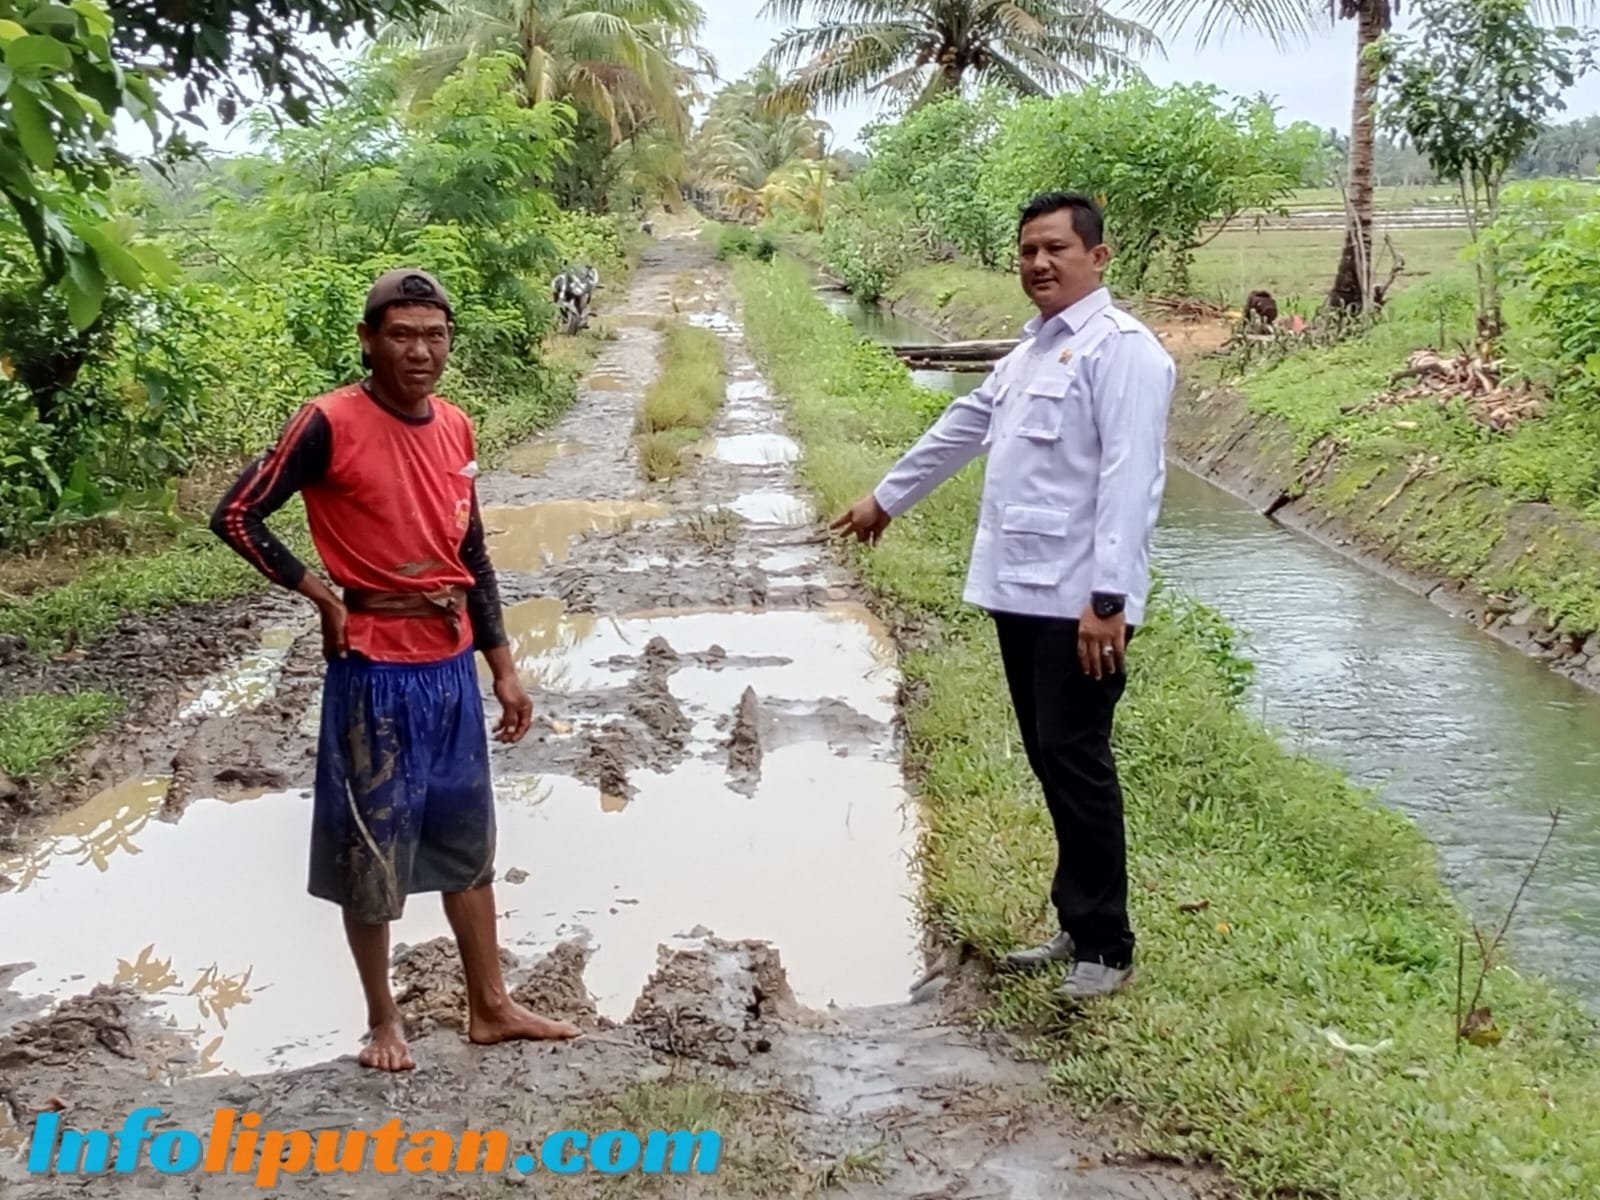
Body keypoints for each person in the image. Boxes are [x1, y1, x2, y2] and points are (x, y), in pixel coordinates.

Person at [210, 268, 581, 1069]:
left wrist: (504, 668)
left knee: (467, 841)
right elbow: (236, 514)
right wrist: (319, 594)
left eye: (435, 335)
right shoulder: (329, 422)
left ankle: (491, 1004)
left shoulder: (455, 427)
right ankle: (383, 1019)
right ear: (370, 341)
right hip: (373, 671)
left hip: (449, 667)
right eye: (403, 335)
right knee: (369, 850)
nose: (421, 350)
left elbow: (471, 555)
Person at [832, 192, 1175, 1000]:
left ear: (1099, 256)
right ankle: (1076, 919)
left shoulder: (1123, 352)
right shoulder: (1029, 353)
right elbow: (961, 428)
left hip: (1081, 607)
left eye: (1056, 249)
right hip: (1021, 592)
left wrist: (1108, 599)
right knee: (1049, 756)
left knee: (1077, 760)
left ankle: (1108, 945)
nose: (1039, 264)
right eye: (1027, 251)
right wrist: (888, 497)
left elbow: (1132, 482)